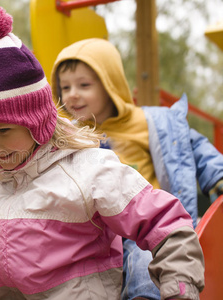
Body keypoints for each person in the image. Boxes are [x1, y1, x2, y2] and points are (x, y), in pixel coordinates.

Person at [0, 6, 205, 300]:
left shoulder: (89, 171)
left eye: (3, 131)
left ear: (36, 121)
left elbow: (163, 221)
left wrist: (179, 285)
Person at [51, 38, 223, 300]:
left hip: (146, 222)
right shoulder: (69, 136)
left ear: (111, 85)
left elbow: (193, 145)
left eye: (84, 85)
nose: (72, 94)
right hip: (95, 234)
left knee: (146, 259)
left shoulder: (150, 121)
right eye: (65, 87)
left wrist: (218, 175)